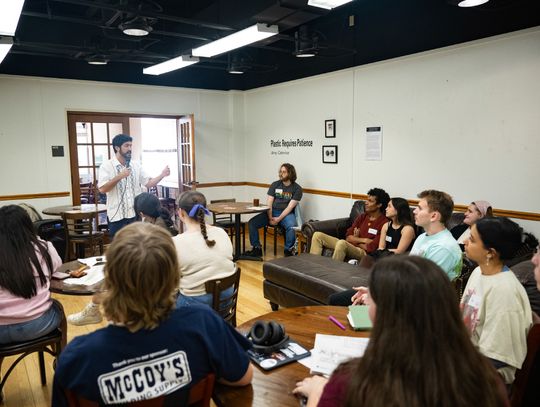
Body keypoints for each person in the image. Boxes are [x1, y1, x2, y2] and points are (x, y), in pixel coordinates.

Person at [52, 222, 253, 405]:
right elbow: (243, 377)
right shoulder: (204, 323)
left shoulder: (77, 358)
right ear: (174, 276)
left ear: (110, 279)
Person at [293, 256, 509, 407]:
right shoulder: (486, 380)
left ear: (383, 314)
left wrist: (318, 393)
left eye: (373, 299)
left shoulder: (355, 382)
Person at [461, 217, 532, 384]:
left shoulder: (505, 292)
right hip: (464, 358)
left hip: (485, 377)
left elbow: (496, 358)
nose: (465, 241)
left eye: (471, 239)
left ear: (490, 253)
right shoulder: (479, 272)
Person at [0, 205, 63, 344]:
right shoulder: (43, 248)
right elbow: (57, 265)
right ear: (29, 226)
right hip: (38, 324)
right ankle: (60, 359)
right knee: (59, 309)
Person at [98, 133, 170, 239]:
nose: (130, 148)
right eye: (126, 146)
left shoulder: (136, 165)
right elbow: (103, 189)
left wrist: (162, 175)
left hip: (135, 214)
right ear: (117, 148)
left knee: (136, 245)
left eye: (131, 145)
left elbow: (149, 183)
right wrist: (119, 176)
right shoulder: (107, 166)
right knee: (119, 249)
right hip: (116, 216)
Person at [173, 191, 236, 307]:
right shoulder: (222, 233)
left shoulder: (176, 243)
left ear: (181, 213)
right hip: (226, 298)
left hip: (196, 306)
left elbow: (172, 281)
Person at [310, 188, 389, 262]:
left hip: (364, 253)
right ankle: (313, 270)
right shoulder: (363, 216)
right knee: (317, 236)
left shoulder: (384, 223)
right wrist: (364, 240)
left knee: (342, 243)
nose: (366, 202)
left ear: (379, 205)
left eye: (370, 201)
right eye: (366, 199)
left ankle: (332, 273)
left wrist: (355, 240)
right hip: (352, 245)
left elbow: (371, 248)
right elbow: (348, 237)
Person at [243, 163, 303, 258]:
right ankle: (257, 248)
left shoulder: (297, 189)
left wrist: (278, 219)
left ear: (290, 173)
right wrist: (270, 217)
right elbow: (269, 203)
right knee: (252, 223)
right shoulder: (275, 185)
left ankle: (288, 250)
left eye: (284, 172)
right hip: (271, 211)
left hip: (286, 214)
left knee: (292, 226)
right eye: (280, 171)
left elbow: (290, 207)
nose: (281, 174)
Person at [410, 189, 462, 279]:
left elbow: (426, 284)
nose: (414, 211)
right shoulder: (422, 236)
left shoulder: (443, 247)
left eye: (420, 208)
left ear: (434, 216)